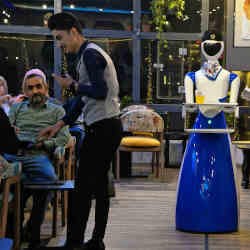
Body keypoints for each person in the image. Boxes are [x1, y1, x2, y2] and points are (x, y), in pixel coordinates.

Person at [39, 12, 123, 250]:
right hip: (107, 126)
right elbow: (82, 100)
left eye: (60, 38)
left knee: (83, 189)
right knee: (97, 187)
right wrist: (59, 125)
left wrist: (72, 84)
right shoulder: (88, 54)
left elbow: (99, 91)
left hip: (103, 128)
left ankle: (75, 243)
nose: (60, 44)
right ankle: (95, 242)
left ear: (73, 32)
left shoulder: (90, 55)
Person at [176, 31, 240, 232]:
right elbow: (190, 102)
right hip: (202, 127)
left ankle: (221, 216)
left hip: (219, 128)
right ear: (202, 46)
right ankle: (193, 215)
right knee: (194, 168)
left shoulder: (229, 76)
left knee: (224, 171)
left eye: (215, 44)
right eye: (208, 43)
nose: (211, 47)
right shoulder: (193, 76)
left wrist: (232, 104)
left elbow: (233, 98)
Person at [4, 68, 70, 249]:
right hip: (14, 155)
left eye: (38, 87)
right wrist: (11, 134)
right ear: (25, 91)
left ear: (46, 88)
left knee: (49, 180)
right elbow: (6, 130)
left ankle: (31, 228)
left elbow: (64, 139)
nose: (35, 91)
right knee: (12, 184)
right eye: (30, 88)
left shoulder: (57, 111)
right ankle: (13, 230)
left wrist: (44, 144)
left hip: (38, 154)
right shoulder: (17, 108)